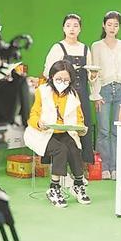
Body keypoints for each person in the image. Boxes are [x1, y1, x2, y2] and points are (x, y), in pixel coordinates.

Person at [24, 60, 91, 208]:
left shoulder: (73, 95)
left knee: (73, 148)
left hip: (64, 131)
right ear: (52, 77)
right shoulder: (42, 91)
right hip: (42, 132)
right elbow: (33, 115)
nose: (62, 82)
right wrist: (39, 123)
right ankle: (54, 189)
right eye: (59, 79)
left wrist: (81, 128)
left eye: (66, 80)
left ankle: (78, 184)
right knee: (60, 150)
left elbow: (79, 117)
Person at [90, 10, 121, 180]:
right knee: (103, 131)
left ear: (119, 27)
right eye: (109, 24)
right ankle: (104, 167)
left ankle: (116, 167)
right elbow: (93, 72)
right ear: (103, 25)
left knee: (117, 130)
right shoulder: (96, 46)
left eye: (116, 25)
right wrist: (95, 94)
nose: (112, 28)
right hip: (104, 90)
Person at [43, 14, 96, 164]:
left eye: (75, 26)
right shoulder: (57, 47)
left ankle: (81, 166)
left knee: (82, 127)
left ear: (80, 29)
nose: (72, 29)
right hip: (63, 95)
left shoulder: (85, 48)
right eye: (68, 25)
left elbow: (90, 74)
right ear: (63, 28)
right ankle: (59, 165)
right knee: (62, 127)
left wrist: (93, 75)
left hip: (82, 93)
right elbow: (47, 72)